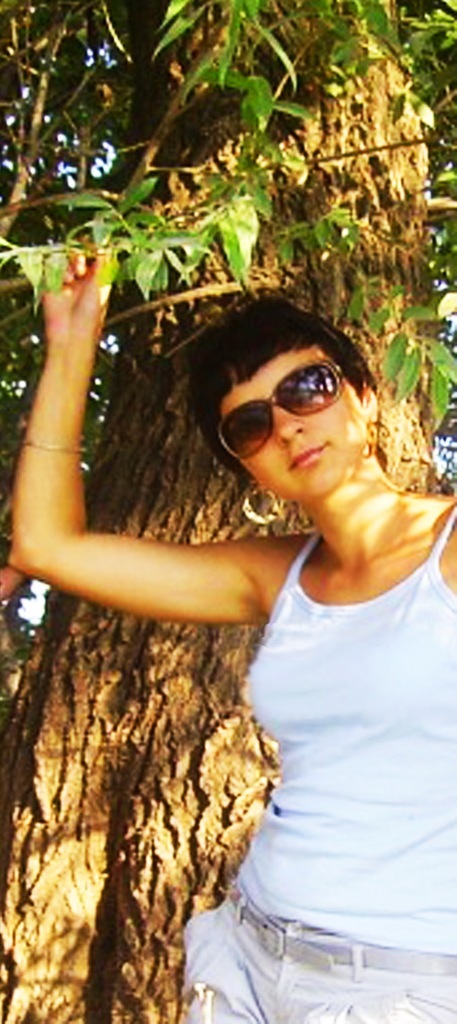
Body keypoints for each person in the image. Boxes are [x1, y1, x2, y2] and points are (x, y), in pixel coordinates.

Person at [10, 256, 457, 1024]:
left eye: (306, 388)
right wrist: (74, 342)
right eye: (249, 424)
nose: (285, 425)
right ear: (248, 471)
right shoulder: (275, 575)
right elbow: (48, 546)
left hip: (400, 984)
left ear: (364, 395)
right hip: (247, 956)